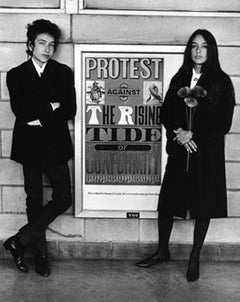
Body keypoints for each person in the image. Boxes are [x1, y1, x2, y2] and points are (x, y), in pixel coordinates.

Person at [136, 29, 235, 282]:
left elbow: (223, 122)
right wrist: (179, 132)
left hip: (206, 154)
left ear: (211, 51)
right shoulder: (180, 77)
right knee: (168, 201)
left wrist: (194, 135)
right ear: (189, 50)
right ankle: (162, 250)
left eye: (203, 46)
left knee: (203, 205)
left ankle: (194, 257)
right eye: (194, 46)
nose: (198, 51)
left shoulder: (222, 82)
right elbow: (167, 112)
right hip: (180, 150)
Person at [4, 19, 76, 277]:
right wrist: (50, 107)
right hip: (29, 145)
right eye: (42, 43)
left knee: (63, 197)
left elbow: (70, 109)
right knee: (34, 199)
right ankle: (41, 255)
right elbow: (21, 112)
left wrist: (43, 111)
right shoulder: (15, 75)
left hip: (55, 145)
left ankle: (20, 241)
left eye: (52, 45)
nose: (47, 49)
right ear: (30, 44)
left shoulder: (63, 72)